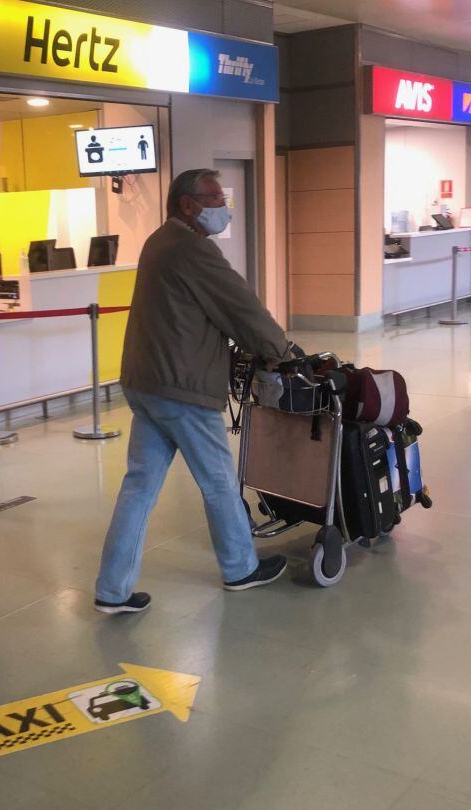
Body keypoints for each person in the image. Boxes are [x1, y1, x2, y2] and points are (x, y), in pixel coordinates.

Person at [94, 168, 291, 614]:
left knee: (138, 486)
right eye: (215, 197)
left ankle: (112, 589)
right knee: (219, 479)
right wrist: (280, 349)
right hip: (181, 388)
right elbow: (241, 306)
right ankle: (241, 568)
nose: (223, 206)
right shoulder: (192, 249)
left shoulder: (158, 241)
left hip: (147, 383)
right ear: (187, 204)